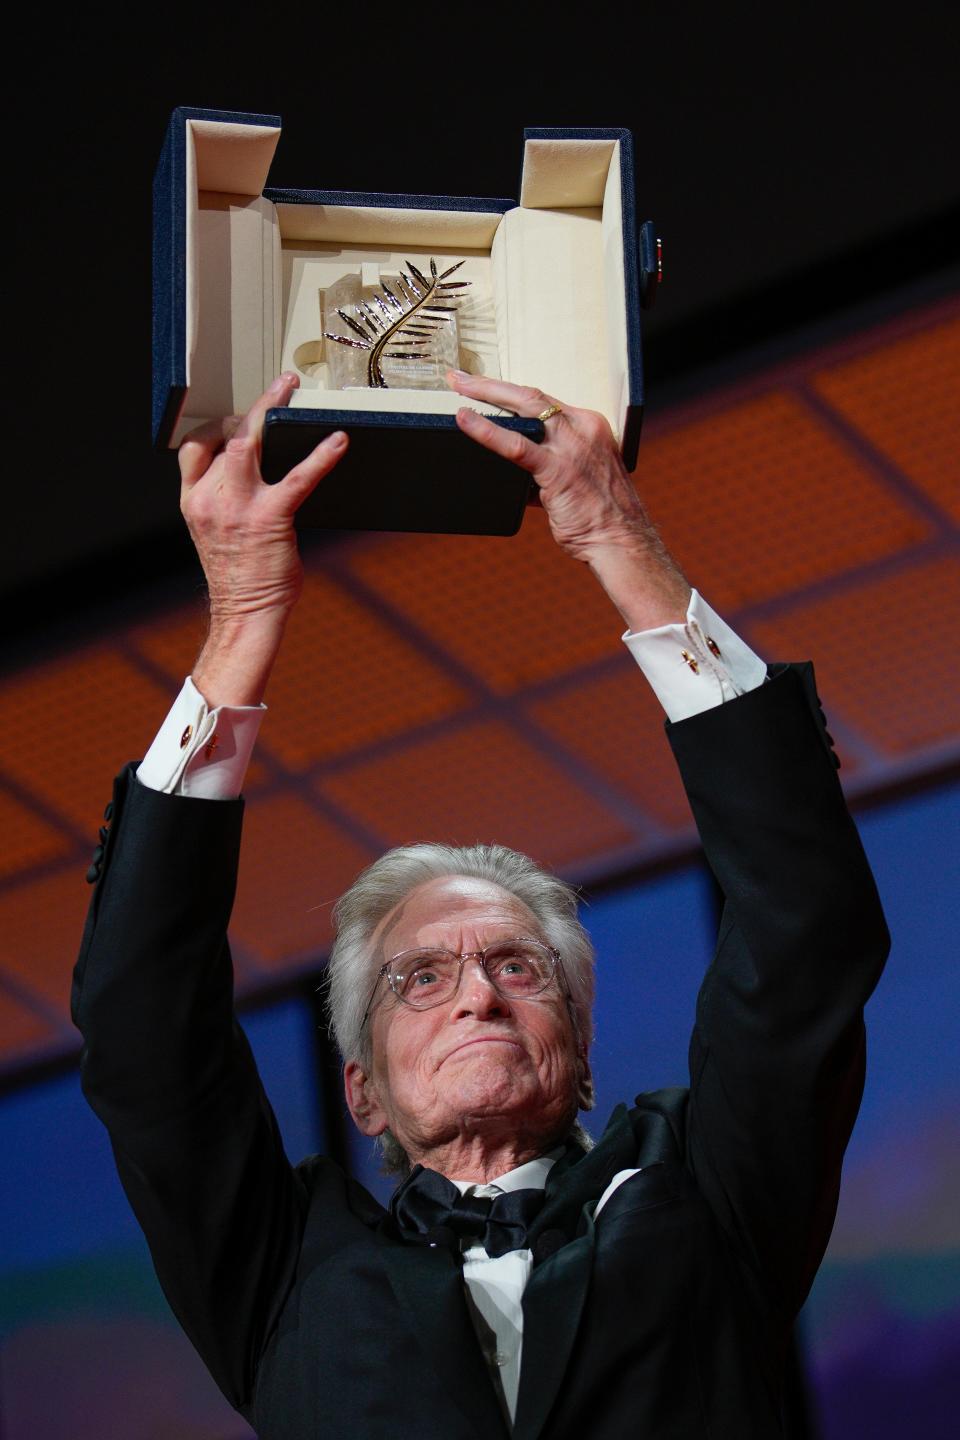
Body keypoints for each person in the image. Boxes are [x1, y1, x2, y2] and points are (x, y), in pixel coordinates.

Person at [72, 369, 889, 1439]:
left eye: (518, 967)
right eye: (423, 976)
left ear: (581, 1050)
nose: (478, 999)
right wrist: (242, 615)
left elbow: (805, 931)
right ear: (360, 1092)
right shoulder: (281, 1271)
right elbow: (141, 1026)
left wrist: (615, 534)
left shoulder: (709, 1193)